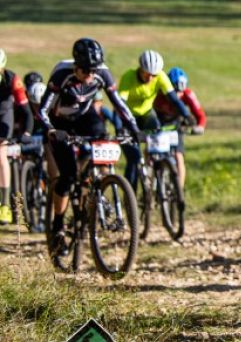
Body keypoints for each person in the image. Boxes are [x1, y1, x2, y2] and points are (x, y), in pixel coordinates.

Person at [40, 38, 140, 254]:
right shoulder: (61, 74)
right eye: (86, 71)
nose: (91, 75)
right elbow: (42, 109)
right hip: (60, 123)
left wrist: (132, 126)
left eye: (94, 70)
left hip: (86, 117)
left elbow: (118, 103)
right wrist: (50, 130)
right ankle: (58, 226)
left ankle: (99, 183)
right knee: (67, 175)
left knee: (103, 137)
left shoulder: (102, 73)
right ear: (76, 66)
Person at [117, 50, 195, 192]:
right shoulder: (128, 77)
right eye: (147, 73)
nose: (150, 78)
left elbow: (174, 99)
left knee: (159, 143)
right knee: (134, 159)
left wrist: (187, 115)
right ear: (140, 69)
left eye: (154, 75)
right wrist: (121, 127)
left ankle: (156, 176)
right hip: (127, 119)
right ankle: (131, 197)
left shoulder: (161, 76)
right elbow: (119, 105)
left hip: (147, 116)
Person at [0, 50, 34, 224]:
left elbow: (27, 111)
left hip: (3, 115)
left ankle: (4, 205)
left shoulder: (13, 79)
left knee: (0, 154)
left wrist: (27, 132)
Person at [154, 67, 207, 135]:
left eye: (181, 91)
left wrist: (200, 126)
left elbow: (200, 114)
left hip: (176, 124)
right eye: (175, 91)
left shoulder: (188, 95)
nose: (178, 94)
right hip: (157, 122)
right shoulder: (157, 94)